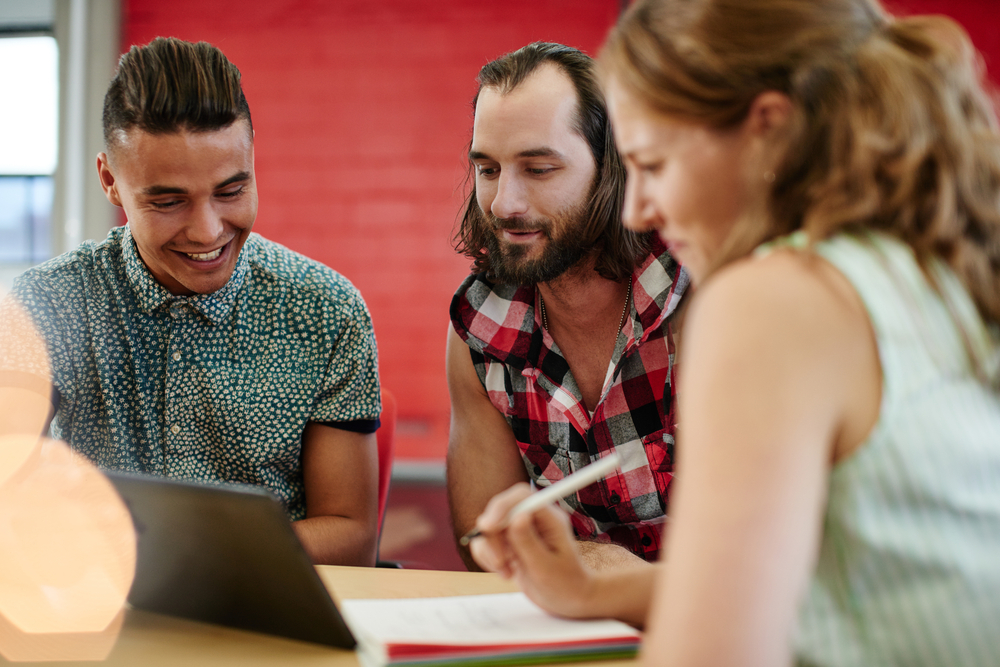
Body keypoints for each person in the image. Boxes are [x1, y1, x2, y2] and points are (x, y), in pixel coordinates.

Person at [469, 1, 1000, 665]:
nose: (637, 209)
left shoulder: (773, 299)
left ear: (769, 131)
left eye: (654, 164)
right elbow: (835, 584)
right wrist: (588, 587)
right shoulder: (937, 266)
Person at [0, 37, 381, 567]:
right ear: (110, 180)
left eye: (231, 191)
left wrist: (185, 555)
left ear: (252, 161)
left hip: (270, 617)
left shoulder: (327, 311)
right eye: (168, 200)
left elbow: (351, 537)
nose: (207, 231)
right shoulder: (48, 304)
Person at [446, 42, 689, 570]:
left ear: (612, 169)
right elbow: (483, 547)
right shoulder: (482, 324)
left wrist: (590, 570)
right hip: (562, 630)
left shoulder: (694, 303)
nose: (504, 204)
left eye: (538, 169)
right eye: (487, 169)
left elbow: (748, 558)